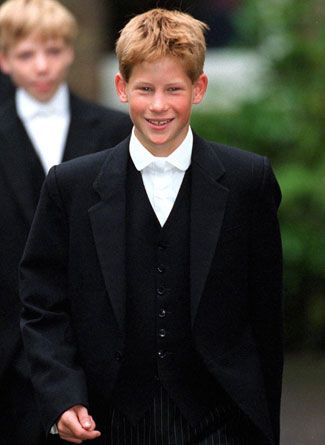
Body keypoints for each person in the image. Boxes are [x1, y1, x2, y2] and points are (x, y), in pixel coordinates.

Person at [20, 8, 283, 445]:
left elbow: (266, 320)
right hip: (108, 424)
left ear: (198, 89)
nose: (158, 106)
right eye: (145, 89)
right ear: (122, 88)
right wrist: (62, 397)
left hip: (221, 423)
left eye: (173, 89)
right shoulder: (71, 186)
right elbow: (43, 304)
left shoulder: (246, 181)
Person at [0, 0, 132, 443]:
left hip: (93, 344)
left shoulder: (116, 131)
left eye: (53, 51)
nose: (41, 65)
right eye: (25, 54)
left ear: (72, 52)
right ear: (3, 59)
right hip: (7, 349)